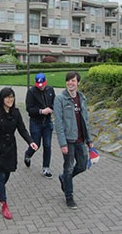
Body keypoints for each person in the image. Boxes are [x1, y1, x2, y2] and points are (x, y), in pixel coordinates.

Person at [0, 87, 38, 220]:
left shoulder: (16, 112)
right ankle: (4, 203)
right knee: (1, 176)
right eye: (7, 97)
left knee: (7, 174)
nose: (10, 100)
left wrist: (30, 141)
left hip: (10, 148)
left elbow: (22, 129)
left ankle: (0, 189)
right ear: (2, 98)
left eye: (12, 97)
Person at [53, 71, 93, 210]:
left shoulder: (82, 98)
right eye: (68, 80)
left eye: (73, 81)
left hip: (80, 140)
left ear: (78, 83)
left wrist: (89, 140)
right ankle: (69, 197)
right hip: (68, 141)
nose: (70, 83)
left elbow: (85, 120)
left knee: (82, 166)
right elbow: (58, 122)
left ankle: (64, 178)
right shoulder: (60, 99)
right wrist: (62, 143)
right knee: (69, 167)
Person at [24, 73, 56, 178]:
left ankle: (46, 168)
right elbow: (29, 109)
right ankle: (28, 154)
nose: (41, 86)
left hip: (47, 122)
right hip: (36, 122)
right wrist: (41, 111)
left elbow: (53, 103)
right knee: (36, 144)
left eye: (42, 84)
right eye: (39, 85)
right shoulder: (31, 92)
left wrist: (51, 109)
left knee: (47, 145)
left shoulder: (50, 90)